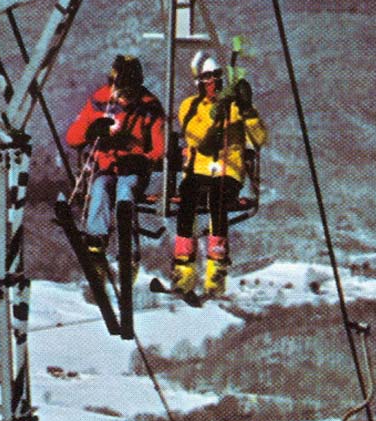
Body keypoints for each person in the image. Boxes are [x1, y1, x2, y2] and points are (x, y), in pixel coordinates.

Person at [173, 51, 267, 298]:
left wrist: (247, 110)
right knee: (188, 198)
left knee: (218, 197)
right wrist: (215, 119)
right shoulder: (190, 106)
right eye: (207, 78)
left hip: (229, 169)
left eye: (216, 76)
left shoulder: (236, 108)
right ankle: (184, 266)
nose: (213, 82)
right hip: (199, 168)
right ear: (199, 81)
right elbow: (197, 139)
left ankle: (217, 263)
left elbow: (259, 139)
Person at [66, 54, 165, 276]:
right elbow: (73, 138)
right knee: (100, 189)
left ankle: (127, 251)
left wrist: (143, 159)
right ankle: (96, 243)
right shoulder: (100, 101)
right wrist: (91, 131)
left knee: (125, 192)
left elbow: (159, 148)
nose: (123, 97)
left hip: (133, 169)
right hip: (106, 167)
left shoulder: (149, 107)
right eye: (119, 90)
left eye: (128, 91)